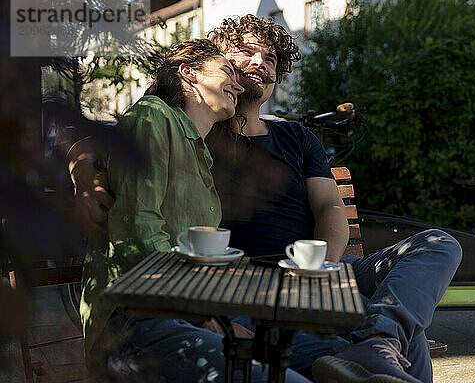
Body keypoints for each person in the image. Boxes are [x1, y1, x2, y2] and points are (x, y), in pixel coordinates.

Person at [71, 16, 462, 383]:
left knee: (437, 245)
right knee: (395, 345)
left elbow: (330, 207)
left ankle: (381, 337)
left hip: (316, 274)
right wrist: (86, 176)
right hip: (245, 286)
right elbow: (110, 137)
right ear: (220, 62)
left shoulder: (297, 137)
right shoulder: (195, 128)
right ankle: (379, 344)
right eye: (246, 52)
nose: (261, 62)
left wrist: (318, 273)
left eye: (271, 58)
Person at [79, 39, 309, 383]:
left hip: (191, 313)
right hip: (134, 319)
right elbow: (138, 227)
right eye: (227, 71)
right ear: (188, 73)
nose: (237, 82)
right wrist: (202, 314)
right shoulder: (154, 116)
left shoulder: (202, 149)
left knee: (325, 355)